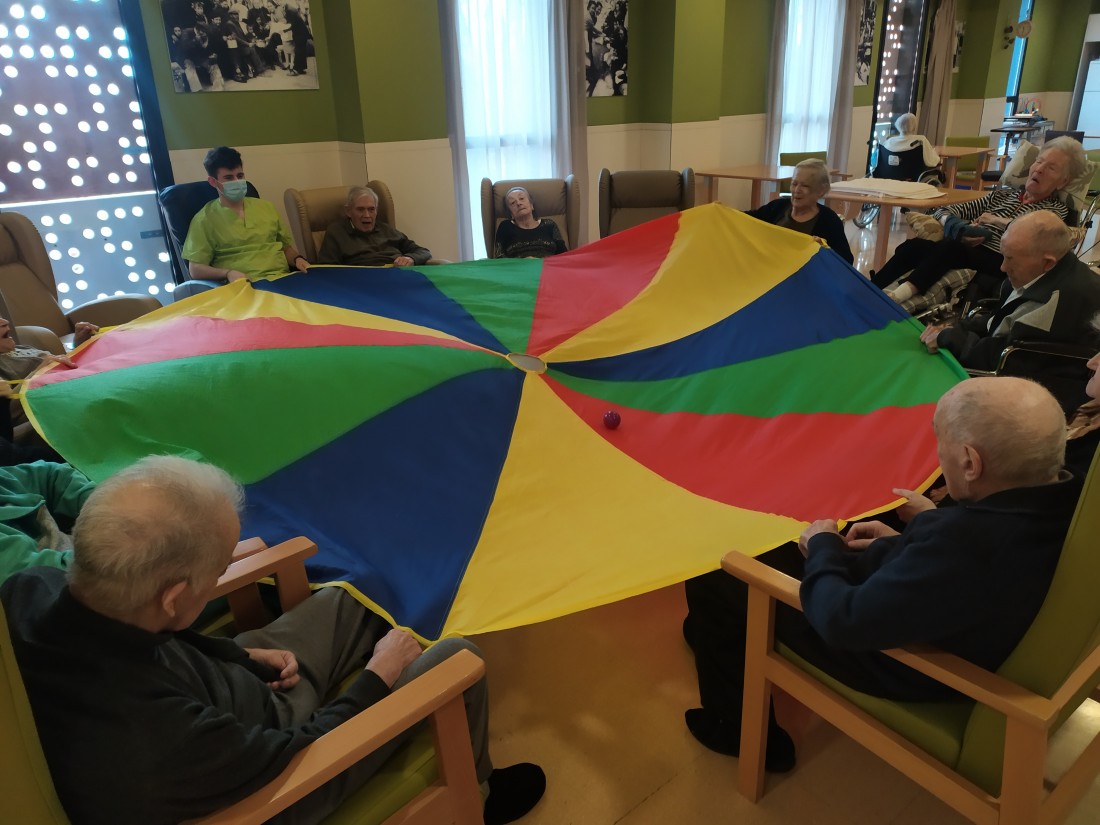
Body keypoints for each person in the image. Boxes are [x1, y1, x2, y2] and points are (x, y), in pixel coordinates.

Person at [1, 455, 545, 825]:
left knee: (362, 589)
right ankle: (482, 792)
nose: (223, 573)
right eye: (218, 569)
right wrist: (378, 678)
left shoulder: (34, 588)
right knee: (458, 660)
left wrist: (237, 653)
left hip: (238, 697)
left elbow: (150, 646)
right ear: (173, 597)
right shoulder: (148, 740)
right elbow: (298, 755)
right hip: (278, 774)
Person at [682, 377, 1081, 773]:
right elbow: (957, 568)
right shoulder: (1064, 505)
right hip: (957, 620)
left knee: (718, 573)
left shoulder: (968, 546)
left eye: (940, 443)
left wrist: (823, 546)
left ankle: (736, 732)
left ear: (970, 463)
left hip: (902, 661)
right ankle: (721, 630)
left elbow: (843, 621)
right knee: (793, 552)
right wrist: (913, 535)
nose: (938, 454)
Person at [872, 136, 1086, 302]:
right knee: (913, 246)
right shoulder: (1002, 195)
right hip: (967, 250)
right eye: (1039, 161)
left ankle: (898, 296)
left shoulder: (1053, 211)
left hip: (1001, 260)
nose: (1039, 169)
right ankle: (872, 289)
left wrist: (995, 220)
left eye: (1051, 168)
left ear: (1062, 182)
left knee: (950, 248)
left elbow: (1033, 237)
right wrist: (958, 227)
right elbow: (942, 210)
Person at [920, 210, 1100, 371]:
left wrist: (949, 337)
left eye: (1011, 259)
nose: (1003, 267)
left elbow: (1001, 358)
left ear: (1047, 262)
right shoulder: (1046, 270)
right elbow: (999, 320)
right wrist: (957, 328)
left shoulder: (1056, 302)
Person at [182, 146, 310, 283]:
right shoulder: (205, 219)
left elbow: (286, 249)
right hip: (242, 285)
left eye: (240, 176)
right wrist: (227, 273)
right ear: (213, 182)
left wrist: (297, 259)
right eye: (228, 178)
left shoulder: (266, 207)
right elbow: (195, 269)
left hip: (282, 280)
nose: (237, 182)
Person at [745, 158, 854, 265]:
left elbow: (846, 260)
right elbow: (747, 220)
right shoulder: (777, 207)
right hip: (771, 269)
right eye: (794, 184)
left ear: (821, 190)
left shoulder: (829, 220)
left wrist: (825, 251)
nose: (797, 190)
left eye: (805, 185)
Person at [0, 460, 95, 583]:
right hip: (81, 579)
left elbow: (52, 476)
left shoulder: (4, 481)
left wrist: (99, 505)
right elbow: (48, 577)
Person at [318, 186, 433, 267]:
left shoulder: (386, 229)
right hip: (363, 281)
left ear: (376, 211)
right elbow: (327, 269)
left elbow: (423, 252)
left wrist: (410, 258)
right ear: (348, 211)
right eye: (360, 209)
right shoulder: (336, 232)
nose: (367, 215)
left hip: (397, 274)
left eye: (371, 209)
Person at [494, 187, 567, 259]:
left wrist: (539, 261)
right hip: (519, 266)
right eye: (512, 202)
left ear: (531, 205)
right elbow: (499, 258)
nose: (518, 203)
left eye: (521, 198)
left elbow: (564, 256)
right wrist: (523, 262)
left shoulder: (549, 225)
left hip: (547, 266)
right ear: (511, 213)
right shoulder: (505, 227)